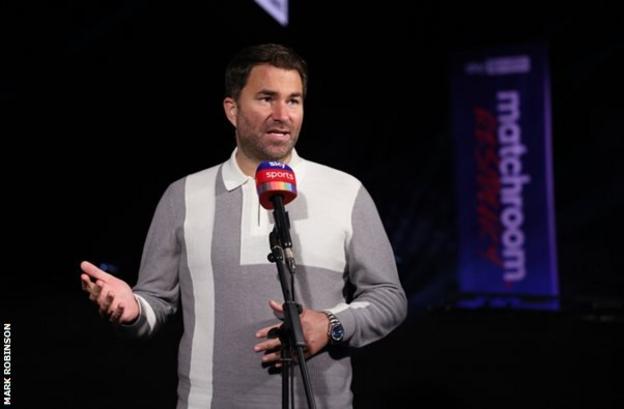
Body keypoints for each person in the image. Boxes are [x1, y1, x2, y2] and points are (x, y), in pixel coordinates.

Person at [80, 43, 407, 409]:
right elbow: (155, 302)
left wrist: (330, 324)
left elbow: (388, 297)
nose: (282, 114)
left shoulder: (345, 191)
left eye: (294, 100)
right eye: (267, 98)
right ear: (232, 110)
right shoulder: (183, 195)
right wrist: (133, 310)